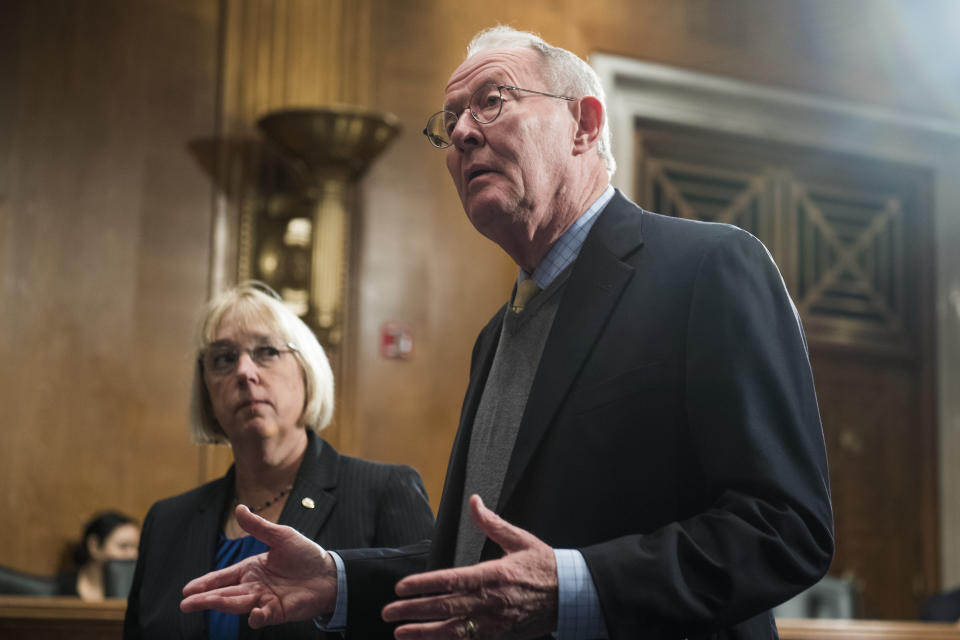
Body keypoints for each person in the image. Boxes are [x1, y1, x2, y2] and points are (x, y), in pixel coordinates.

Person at [180, 26, 834, 639]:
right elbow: (479, 563)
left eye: (492, 101)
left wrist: (575, 588)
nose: (462, 132)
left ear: (584, 124)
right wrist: (340, 578)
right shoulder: (496, 335)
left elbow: (784, 530)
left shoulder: (708, 269)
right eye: (451, 120)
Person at [124, 282, 434, 639]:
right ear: (206, 388)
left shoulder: (383, 492)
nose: (244, 371)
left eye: (267, 351)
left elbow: (432, 618)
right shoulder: (166, 522)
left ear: (307, 371)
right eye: (223, 358)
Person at [57, 510, 139, 600]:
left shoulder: (140, 591)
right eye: (123, 546)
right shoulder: (59, 589)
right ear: (94, 546)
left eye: (138, 548)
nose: (134, 555)